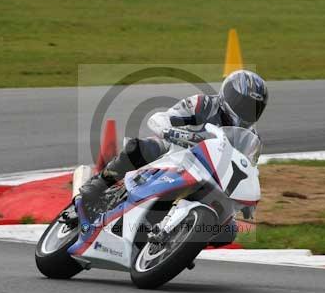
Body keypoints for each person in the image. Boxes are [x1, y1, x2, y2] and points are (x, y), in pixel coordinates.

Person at [79, 70, 268, 204]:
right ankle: (99, 184)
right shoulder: (203, 104)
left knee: (228, 230)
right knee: (139, 148)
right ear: (229, 95)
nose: (246, 110)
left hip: (210, 176)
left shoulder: (251, 138)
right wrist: (168, 131)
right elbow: (162, 118)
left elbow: (248, 171)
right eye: (243, 103)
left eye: (253, 107)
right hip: (176, 151)